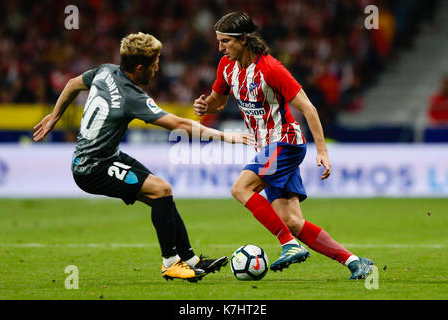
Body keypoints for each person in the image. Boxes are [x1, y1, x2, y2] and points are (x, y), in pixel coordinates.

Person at [33, 32, 253, 282]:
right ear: (139, 68)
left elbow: (73, 83)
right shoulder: (132, 96)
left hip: (107, 156)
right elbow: (178, 123)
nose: (158, 68)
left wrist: (55, 115)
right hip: (92, 168)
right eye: (155, 62)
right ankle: (170, 263)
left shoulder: (105, 71)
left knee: (163, 196)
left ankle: (190, 260)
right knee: (162, 190)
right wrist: (226, 137)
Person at [193, 12, 373, 279]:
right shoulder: (226, 67)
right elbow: (218, 102)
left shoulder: (271, 69)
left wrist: (322, 150)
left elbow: (309, 109)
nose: (220, 47)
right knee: (291, 221)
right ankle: (355, 262)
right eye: (219, 41)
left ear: (243, 39)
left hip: (285, 143)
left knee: (240, 188)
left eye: (225, 41)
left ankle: (288, 245)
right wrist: (205, 104)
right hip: (267, 148)